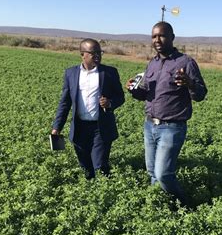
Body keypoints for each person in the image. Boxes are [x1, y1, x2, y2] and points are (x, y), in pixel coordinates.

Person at [126, 21, 207, 205]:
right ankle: (160, 207)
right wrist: (133, 89)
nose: (157, 40)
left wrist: (190, 84)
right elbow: (146, 93)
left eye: (162, 35)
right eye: (154, 36)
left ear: (172, 37)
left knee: (163, 174)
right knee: (152, 172)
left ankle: (186, 205)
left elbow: (201, 94)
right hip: (149, 125)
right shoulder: (152, 64)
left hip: (172, 127)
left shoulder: (185, 62)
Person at [52, 38, 125, 179]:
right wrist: (57, 127)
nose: (98, 56)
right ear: (82, 54)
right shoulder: (71, 73)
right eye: (93, 53)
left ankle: (105, 189)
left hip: (100, 126)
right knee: (85, 165)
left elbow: (120, 97)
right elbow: (65, 102)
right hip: (80, 127)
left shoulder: (109, 73)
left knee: (99, 164)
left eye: (100, 52)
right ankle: (91, 189)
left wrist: (110, 103)